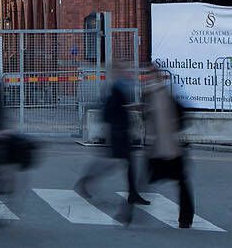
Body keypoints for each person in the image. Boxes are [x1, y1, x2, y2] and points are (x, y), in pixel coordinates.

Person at [75, 59, 146, 222]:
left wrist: (130, 108)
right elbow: (109, 111)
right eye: (122, 69)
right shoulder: (115, 88)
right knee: (114, 163)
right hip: (118, 132)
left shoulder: (119, 87)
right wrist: (128, 111)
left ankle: (132, 193)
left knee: (124, 163)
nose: (126, 71)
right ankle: (86, 180)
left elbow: (115, 109)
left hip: (121, 131)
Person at [141, 63, 194, 228]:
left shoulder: (161, 94)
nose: (147, 78)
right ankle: (185, 218)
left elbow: (177, 116)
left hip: (168, 149)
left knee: (180, 183)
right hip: (160, 148)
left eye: (149, 74)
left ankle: (185, 218)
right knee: (178, 183)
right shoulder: (150, 93)